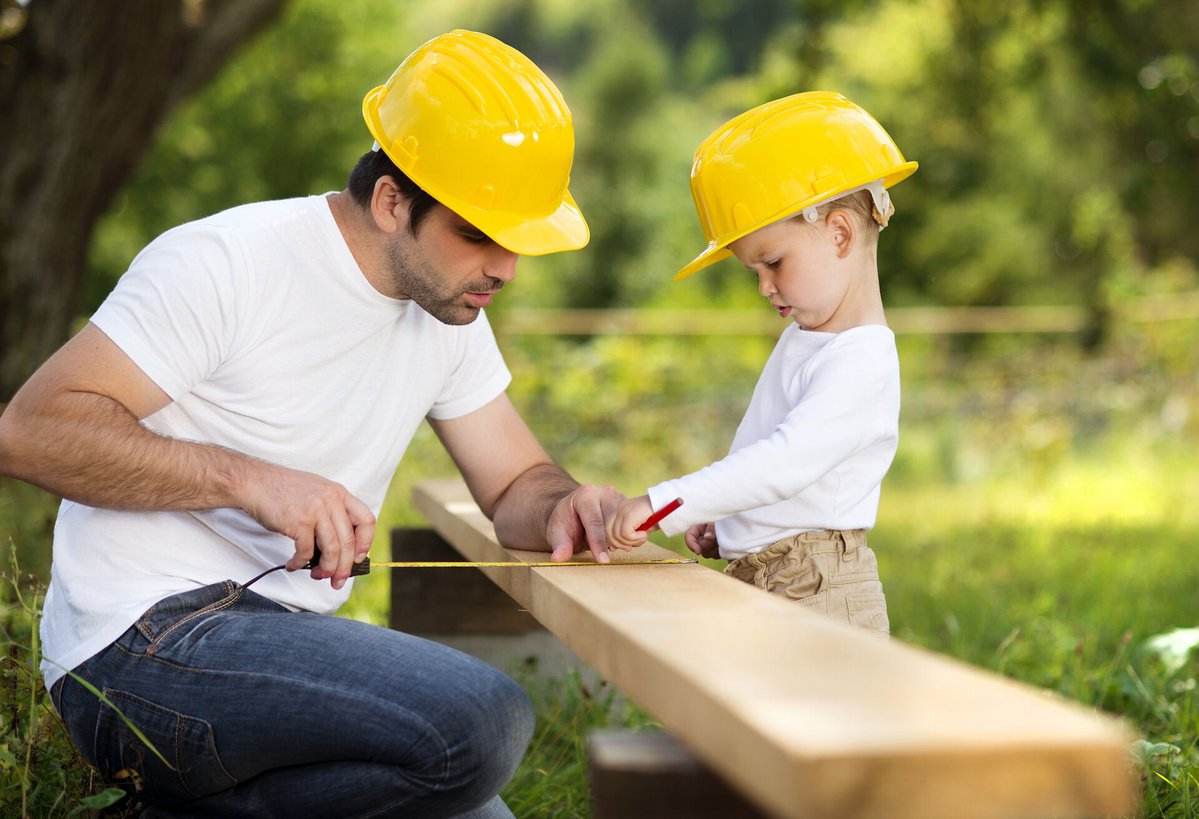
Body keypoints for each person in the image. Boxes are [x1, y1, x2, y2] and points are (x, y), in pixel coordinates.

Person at [0, 30, 623, 818]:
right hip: (138, 646)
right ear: (393, 199)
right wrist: (249, 480)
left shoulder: (451, 311)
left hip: (277, 646)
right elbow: (29, 431)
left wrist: (566, 504)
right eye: (477, 234)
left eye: (520, 243)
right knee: (483, 718)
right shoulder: (227, 260)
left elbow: (516, 483)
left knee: (479, 805)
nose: (504, 268)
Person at [606, 92, 917, 634]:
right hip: (773, 578)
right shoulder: (808, 338)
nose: (764, 286)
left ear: (839, 233)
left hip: (819, 590)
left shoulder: (861, 360)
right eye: (754, 270)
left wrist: (664, 506)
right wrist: (730, 524)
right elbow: (772, 470)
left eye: (772, 262)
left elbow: (784, 463)